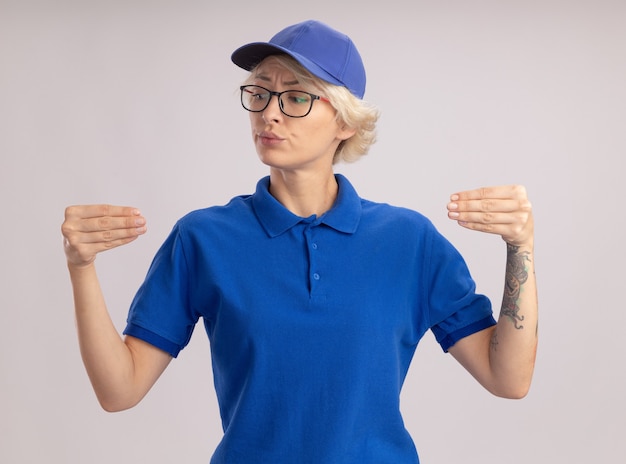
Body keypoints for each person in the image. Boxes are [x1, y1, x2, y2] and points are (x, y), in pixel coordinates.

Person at [61, 19, 537, 464]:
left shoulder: (409, 242)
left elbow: (508, 379)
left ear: (345, 122)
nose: (269, 113)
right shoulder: (203, 238)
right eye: (260, 92)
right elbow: (119, 391)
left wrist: (521, 248)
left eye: (295, 97)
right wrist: (81, 268)